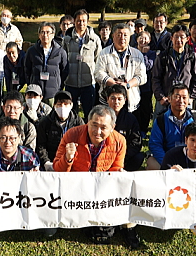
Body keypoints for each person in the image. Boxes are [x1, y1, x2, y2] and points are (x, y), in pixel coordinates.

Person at [53, 105, 138, 248]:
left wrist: (119, 175)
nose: (97, 132)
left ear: (112, 127)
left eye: (103, 127)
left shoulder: (120, 141)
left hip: (103, 189)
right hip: (76, 189)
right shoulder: (71, 135)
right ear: (87, 122)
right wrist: (67, 158)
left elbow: (115, 170)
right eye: (94, 125)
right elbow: (57, 171)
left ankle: (129, 227)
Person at [0, 117, 51, 237]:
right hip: (0, 201)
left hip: (24, 201)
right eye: (3, 137)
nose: (8, 142)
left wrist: (37, 177)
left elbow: (40, 188)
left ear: (19, 138)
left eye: (12, 138)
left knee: (48, 230)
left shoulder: (29, 156)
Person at [147, 84, 196, 170]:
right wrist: (167, 163)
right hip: (171, 157)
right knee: (151, 163)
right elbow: (155, 144)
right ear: (169, 99)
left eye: (184, 97)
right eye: (177, 97)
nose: (181, 101)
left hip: (194, 156)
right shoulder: (161, 120)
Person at [94, 23, 146, 112]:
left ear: (130, 37)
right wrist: (113, 84)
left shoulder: (137, 54)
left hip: (130, 99)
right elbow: (98, 73)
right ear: (113, 36)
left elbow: (142, 77)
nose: (122, 38)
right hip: (108, 99)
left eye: (125, 35)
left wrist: (128, 85)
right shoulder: (104, 53)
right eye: (119, 35)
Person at [151, 24, 196, 117]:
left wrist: (191, 97)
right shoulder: (163, 56)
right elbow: (155, 78)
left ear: (187, 39)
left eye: (182, 37)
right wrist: (160, 97)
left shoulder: (192, 56)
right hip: (166, 99)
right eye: (176, 37)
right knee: (161, 126)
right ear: (171, 38)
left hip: (184, 100)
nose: (179, 40)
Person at [62, 9, 102, 115]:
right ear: (74, 21)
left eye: (84, 21)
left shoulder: (95, 39)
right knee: (71, 112)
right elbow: (63, 59)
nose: (81, 23)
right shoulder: (67, 40)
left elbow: (98, 59)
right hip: (71, 82)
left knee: (89, 112)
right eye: (79, 21)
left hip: (88, 82)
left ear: (87, 22)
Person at [36, 91, 84, 171]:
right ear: (54, 106)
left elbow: (83, 144)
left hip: (73, 162)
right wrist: (46, 162)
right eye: (59, 105)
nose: (62, 107)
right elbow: (41, 145)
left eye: (65, 104)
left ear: (71, 105)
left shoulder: (78, 122)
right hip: (51, 162)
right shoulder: (45, 122)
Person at [25, 22, 68, 105]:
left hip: (52, 92)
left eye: (48, 32)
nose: (45, 35)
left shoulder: (60, 52)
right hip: (36, 92)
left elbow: (64, 71)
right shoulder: (32, 51)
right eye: (42, 32)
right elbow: (27, 69)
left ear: (53, 34)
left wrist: (58, 85)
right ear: (39, 34)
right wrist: (31, 83)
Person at [105, 85, 144, 171]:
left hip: (123, 156)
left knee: (138, 157)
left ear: (125, 100)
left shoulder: (131, 119)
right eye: (113, 98)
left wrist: (122, 155)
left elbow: (136, 142)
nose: (116, 102)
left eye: (119, 99)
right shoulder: (101, 117)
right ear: (107, 99)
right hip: (104, 155)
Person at [133, 31, 156, 136]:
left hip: (146, 86)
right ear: (137, 39)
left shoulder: (152, 54)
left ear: (149, 40)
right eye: (141, 38)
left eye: (145, 38)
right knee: (134, 107)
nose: (143, 40)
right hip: (133, 85)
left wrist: (143, 54)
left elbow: (147, 66)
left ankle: (143, 128)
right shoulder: (132, 52)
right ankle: (135, 127)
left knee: (145, 108)